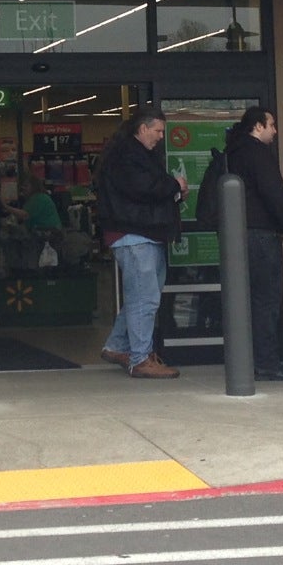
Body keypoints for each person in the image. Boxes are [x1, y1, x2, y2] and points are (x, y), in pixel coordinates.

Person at [94, 105, 186, 378]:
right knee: (145, 299)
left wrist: (173, 190)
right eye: (158, 130)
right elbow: (143, 188)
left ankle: (116, 346)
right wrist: (174, 185)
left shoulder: (128, 153)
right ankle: (140, 358)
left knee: (140, 297)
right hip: (134, 235)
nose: (160, 136)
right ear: (143, 128)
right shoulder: (128, 155)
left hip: (140, 233)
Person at [223, 106, 283, 381]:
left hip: (237, 235)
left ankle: (246, 361)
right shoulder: (257, 154)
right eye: (271, 124)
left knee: (244, 300)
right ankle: (267, 362)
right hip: (260, 234)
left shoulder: (233, 152)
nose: (275, 130)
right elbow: (273, 192)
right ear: (258, 126)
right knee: (266, 301)